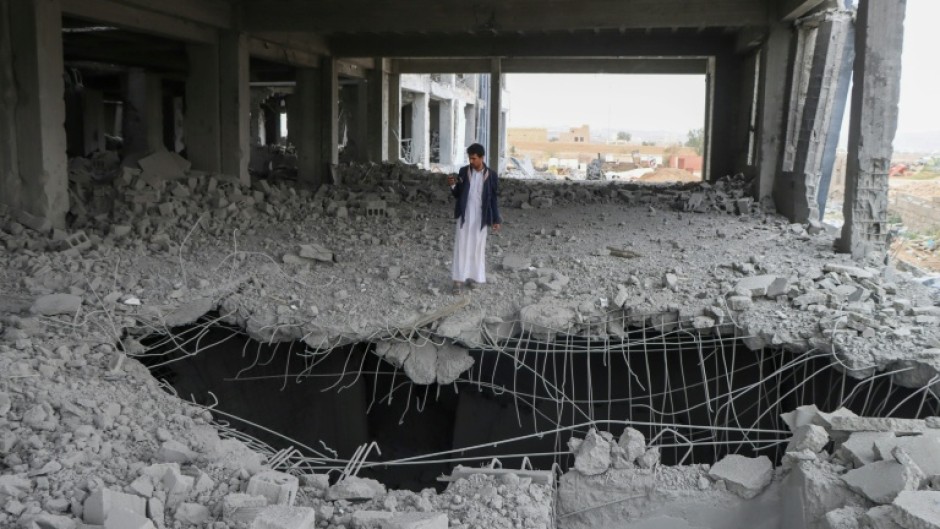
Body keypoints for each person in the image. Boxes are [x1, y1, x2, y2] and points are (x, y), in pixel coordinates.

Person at [447, 143, 502, 294]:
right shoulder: (463, 172)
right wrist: (452, 185)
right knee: (461, 245)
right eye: (470, 158)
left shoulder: (491, 175)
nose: (471, 161)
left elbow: (493, 199)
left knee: (477, 246)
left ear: (482, 158)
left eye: (474, 158)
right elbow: (458, 194)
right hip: (465, 215)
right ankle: (458, 280)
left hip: (481, 216)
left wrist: (496, 220)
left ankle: (473, 277)